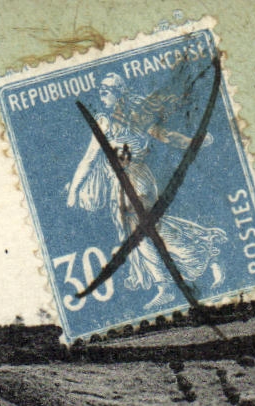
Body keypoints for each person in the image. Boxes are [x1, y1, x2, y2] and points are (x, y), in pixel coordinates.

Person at [65, 72, 227, 310]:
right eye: (100, 90)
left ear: (119, 93)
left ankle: (175, 279)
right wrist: (74, 190)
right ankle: (204, 255)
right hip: (122, 185)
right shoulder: (109, 121)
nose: (102, 94)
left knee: (144, 232)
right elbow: (88, 159)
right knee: (148, 230)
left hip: (136, 181)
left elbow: (166, 136)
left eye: (107, 90)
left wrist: (194, 142)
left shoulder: (132, 117)